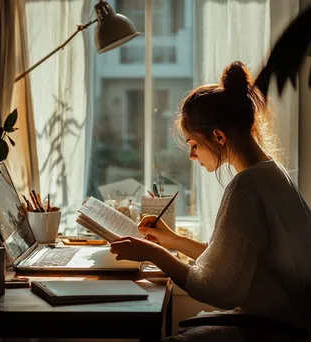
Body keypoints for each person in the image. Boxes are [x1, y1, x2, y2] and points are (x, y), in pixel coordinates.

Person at [110, 61, 311, 341]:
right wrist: (173, 241)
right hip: (292, 325)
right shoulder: (274, 174)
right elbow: (232, 259)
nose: (192, 156)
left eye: (193, 145)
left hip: (272, 330)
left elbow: (217, 287)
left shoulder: (246, 187)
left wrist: (153, 253)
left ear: (218, 136)